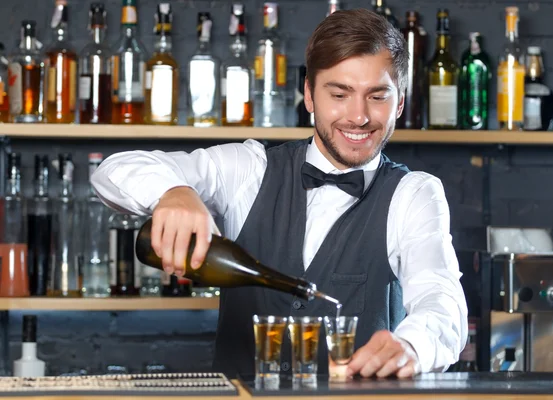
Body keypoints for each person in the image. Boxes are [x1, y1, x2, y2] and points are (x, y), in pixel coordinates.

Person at [91, 9, 468, 379]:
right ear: (308, 95)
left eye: (377, 96)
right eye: (339, 94)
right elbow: (113, 171)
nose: (358, 116)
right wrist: (172, 191)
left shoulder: (414, 194)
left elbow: (443, 303)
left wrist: (414, 346)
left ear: (399, 102)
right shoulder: (248, 169)